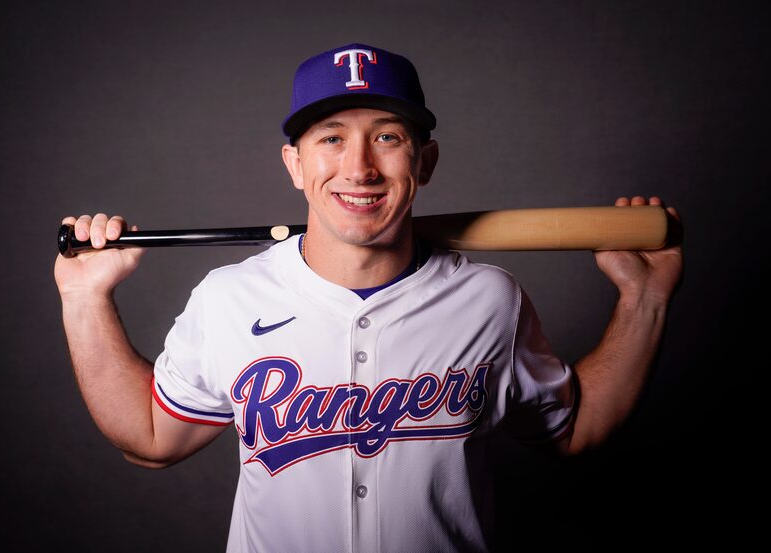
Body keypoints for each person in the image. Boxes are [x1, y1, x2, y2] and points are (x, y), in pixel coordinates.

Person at [54, 43, 682, 552]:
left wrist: (644, 298)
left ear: (424, 161)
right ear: (295, 164)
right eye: (330, 138)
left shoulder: (490, 300)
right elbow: (152, 440)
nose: (359, 168)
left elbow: (573, 429)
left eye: (387, 137)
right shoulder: (229, 299)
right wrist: (85, 301)